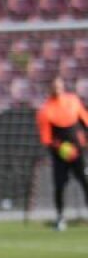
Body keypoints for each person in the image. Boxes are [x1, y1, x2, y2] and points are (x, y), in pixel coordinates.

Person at [35, 76, 88, 231]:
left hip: (79, 153)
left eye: (59, 86)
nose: (57, 89)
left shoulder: (73, 101)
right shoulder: (45, 111)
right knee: (59, 185)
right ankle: (60, 218)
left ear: (63, 86)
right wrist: (63, 149)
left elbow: (85, 122)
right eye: (54, 86)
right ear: (50, 89)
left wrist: (82, 144)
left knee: (85, 181)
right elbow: (46, 139)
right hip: (60, 156)